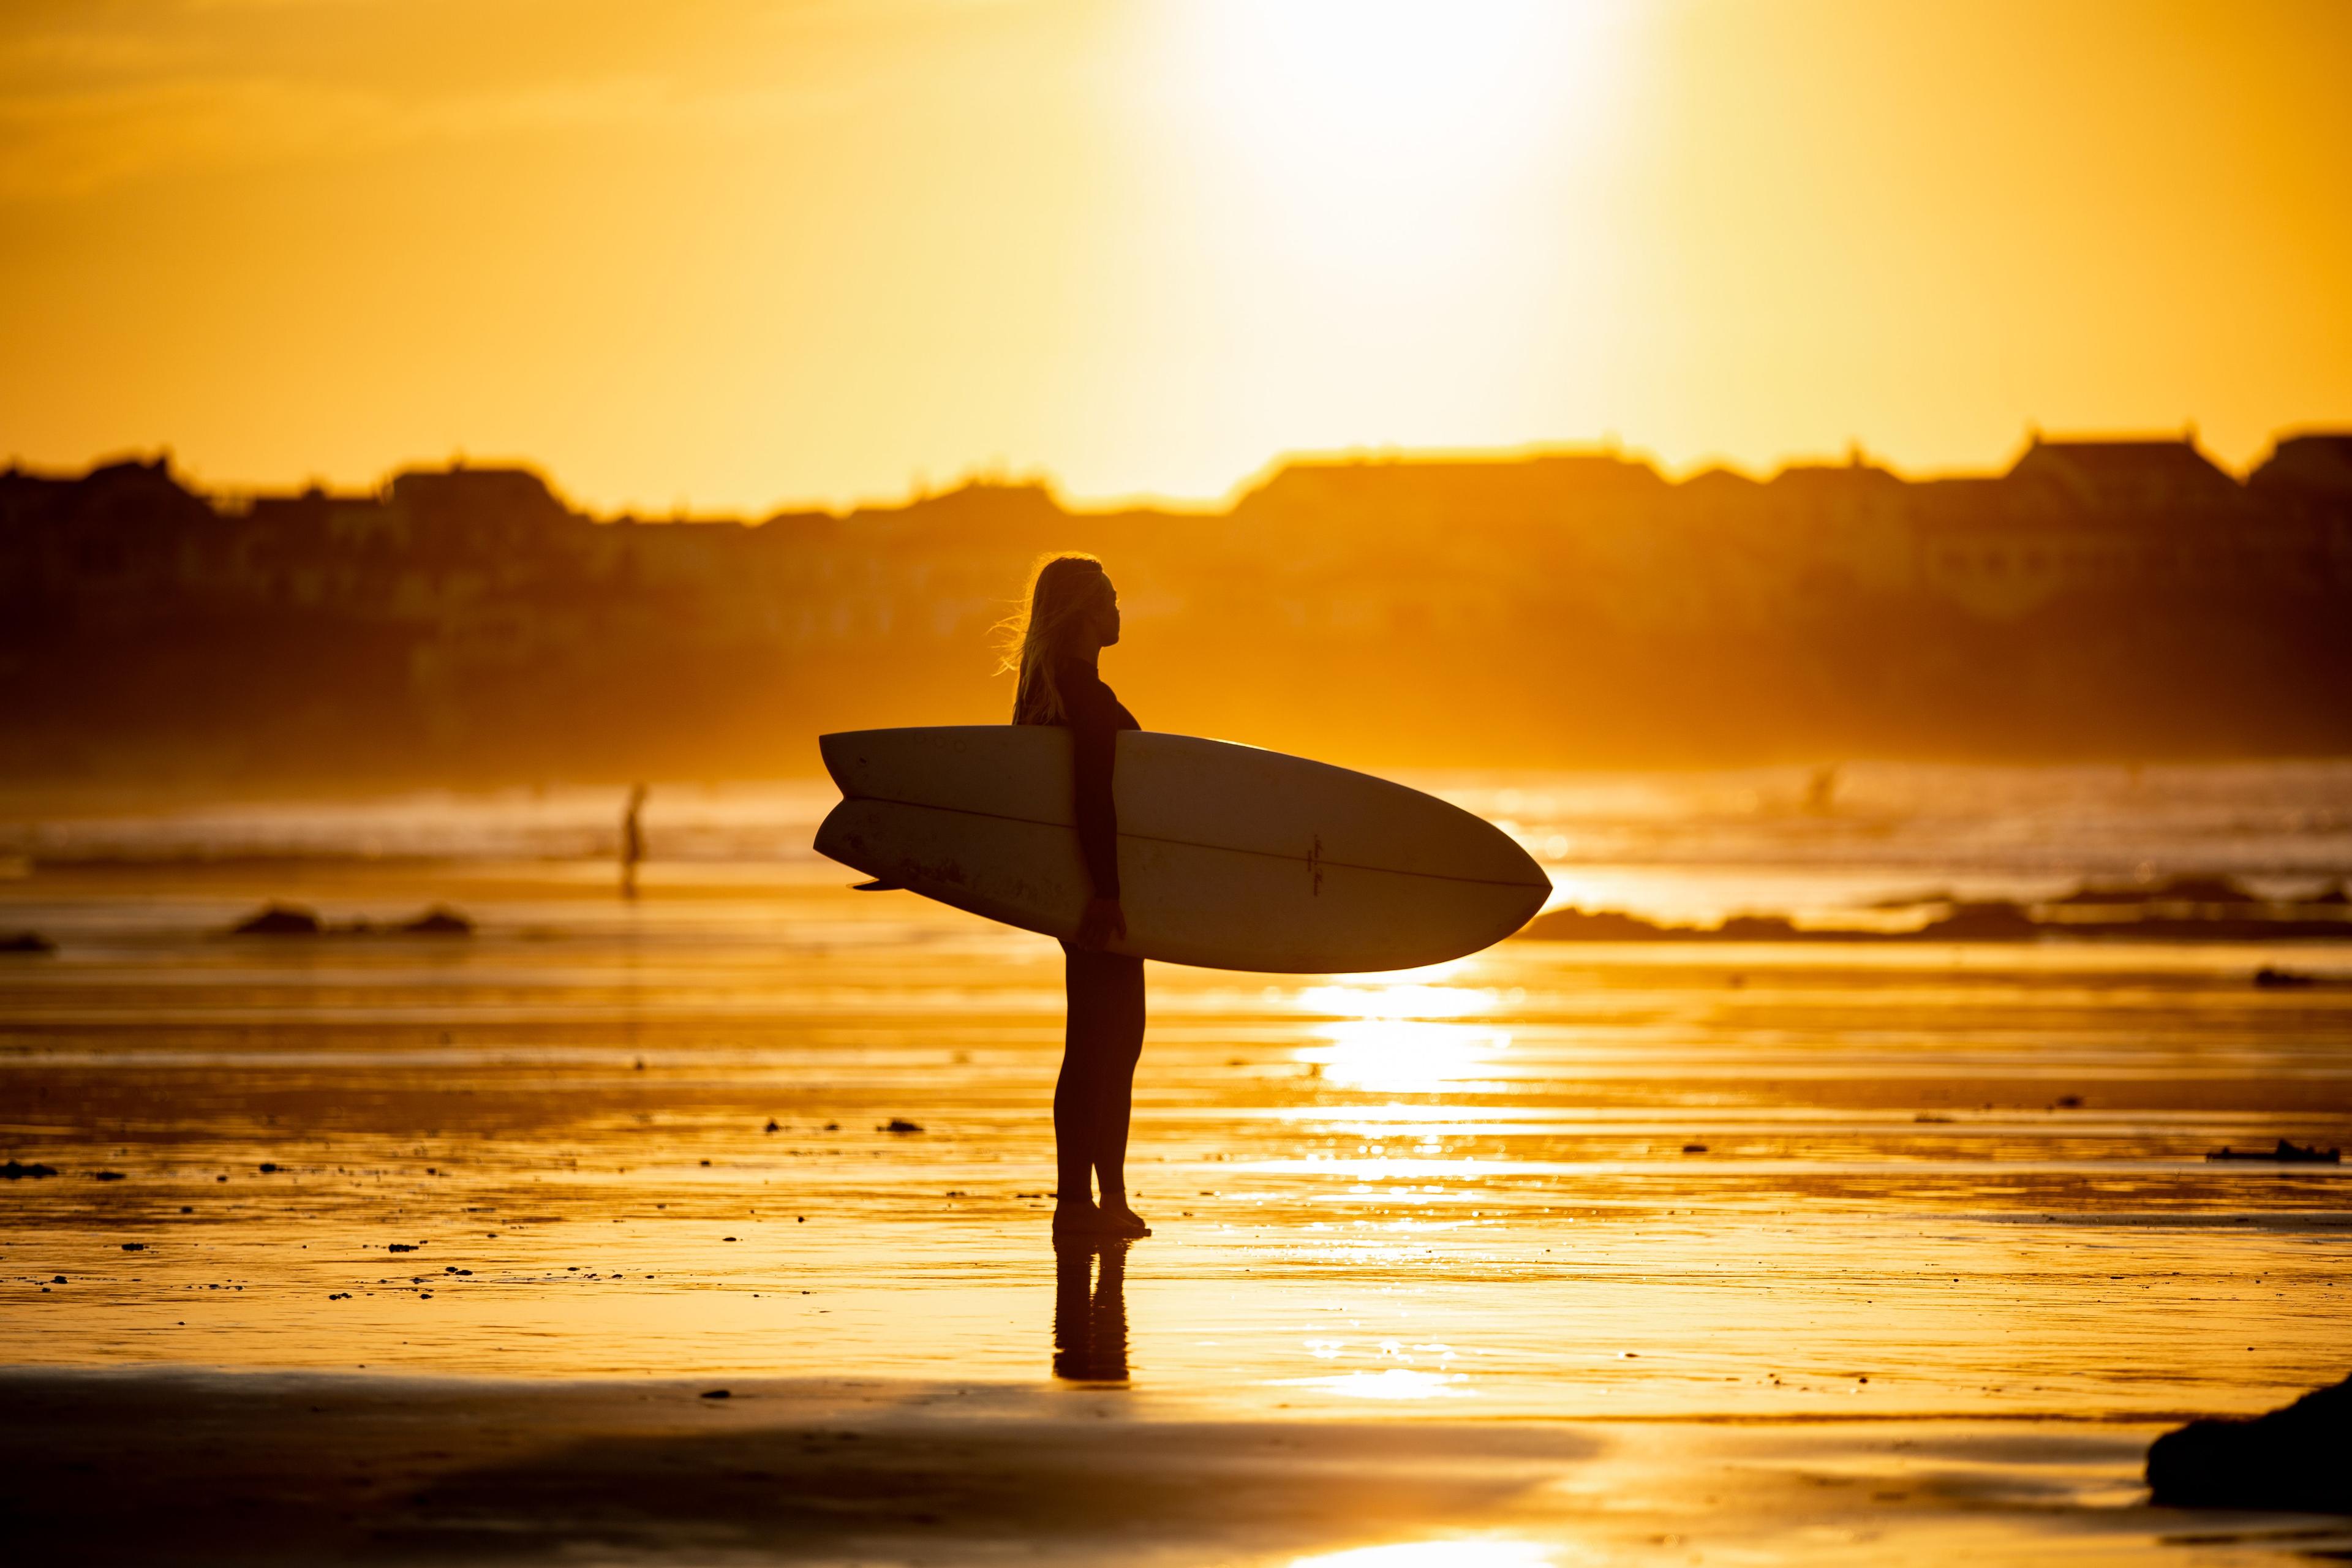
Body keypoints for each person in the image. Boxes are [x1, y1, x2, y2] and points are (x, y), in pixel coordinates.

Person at [1001, 554, 1151, 1240]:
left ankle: (1090, 1202)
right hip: (1099, 888)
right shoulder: (1084, 697)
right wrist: (1109, 892)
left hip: (1079, 887)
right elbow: (1095, 799)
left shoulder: (1045, 694)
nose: (1120, 612)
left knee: (1096, 1040)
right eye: (1111, 600)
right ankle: (1086, 1203)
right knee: (1109, 1044)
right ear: (1084, 614)